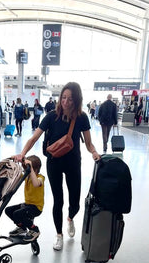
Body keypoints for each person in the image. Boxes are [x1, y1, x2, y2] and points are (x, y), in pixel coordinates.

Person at [14, 82, 100, 251]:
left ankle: (70, 218)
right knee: (58, 200)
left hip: (74, 162)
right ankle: (59, 234)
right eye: (64, 98)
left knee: (75, 200)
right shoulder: (51, 116)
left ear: (77, 100)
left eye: (70, 99)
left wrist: (94, 152)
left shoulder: (82, 117)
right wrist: (22, 154)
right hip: (54, 162)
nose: (66, 102)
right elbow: (33, 138)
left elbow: (89, 143)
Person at [5, 155, 44, 242]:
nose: (25, 169)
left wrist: (31, 170)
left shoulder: (40, 178)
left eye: (27, 168)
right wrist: (13, 161)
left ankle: (34, 230)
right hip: (27, 204)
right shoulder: (27, 176)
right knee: (8, 210)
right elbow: (16, 175)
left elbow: (36, 184)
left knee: (17, 214)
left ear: (35, 169)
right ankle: (22, 227)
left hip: (36, 208)